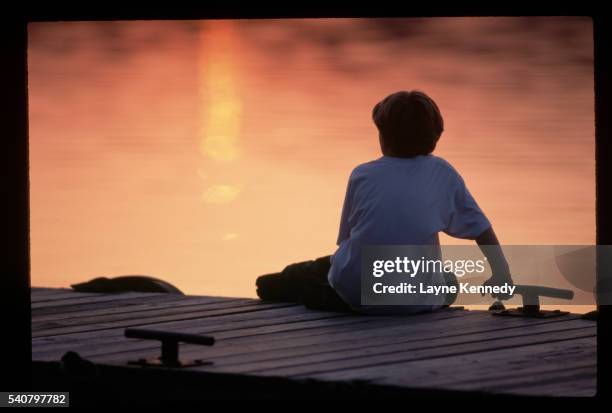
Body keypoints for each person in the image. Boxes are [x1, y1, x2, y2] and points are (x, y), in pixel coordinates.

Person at [256, 90, 513, 314]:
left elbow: (347, 241)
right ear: (436, 136)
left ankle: (294, 281)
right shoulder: (443, 173)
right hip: (415, 301)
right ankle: (313, 287)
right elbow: (481, 229)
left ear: (383, 136)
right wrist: (501, 275)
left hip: (359, 289)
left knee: (328, 266)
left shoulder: (362, 174)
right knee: (449, 282)